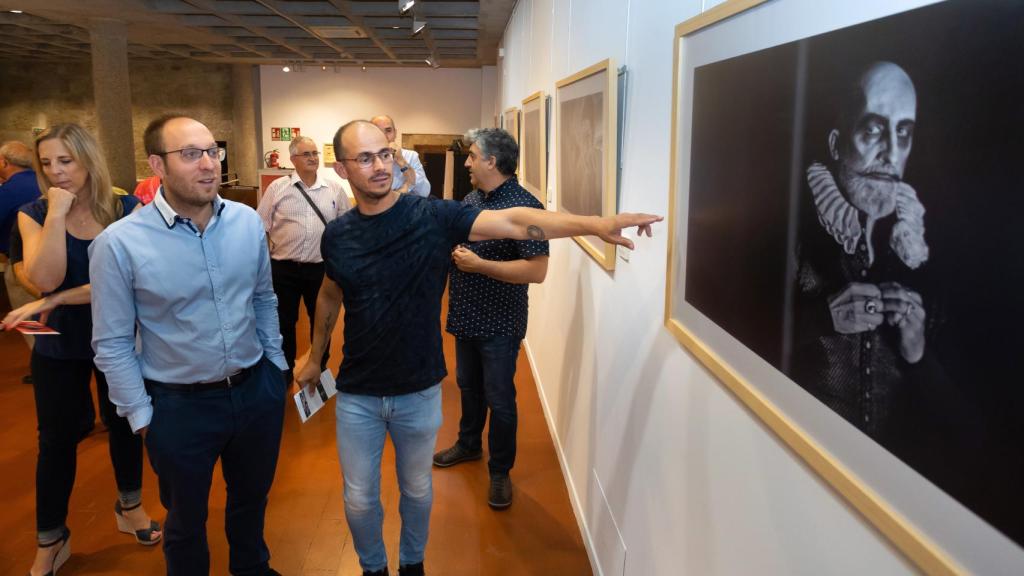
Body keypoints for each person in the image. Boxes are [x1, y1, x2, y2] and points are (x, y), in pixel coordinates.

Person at [294, 120, 660, 576]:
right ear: (343, 168)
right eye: (364, 158)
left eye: (385, 154)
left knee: (417, 490)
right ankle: (372, 569)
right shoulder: (339, 235)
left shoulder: (431, 217)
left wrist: (594, 224)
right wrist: (315, 355)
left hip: (418, 389)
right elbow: (330, 292)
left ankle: (411, 565)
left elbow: (515, 220)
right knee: (359, 497)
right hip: (357, 393)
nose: (379, 166)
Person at [90, 114, 288, 576]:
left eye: (212, 152)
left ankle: (251, 568)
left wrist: (275, 369)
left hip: (254, 390)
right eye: (191, 154)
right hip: (178, 405)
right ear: (157, 164)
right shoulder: (119, 244)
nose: (208, 165)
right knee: (185, 521)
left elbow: (263, 298)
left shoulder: (244, 222)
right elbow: (113, 343)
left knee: (251, 502)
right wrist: (141, 417)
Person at [0, 123, 160, 576]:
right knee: (56, 439)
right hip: (59, 345)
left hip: (118, 336)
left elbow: (127, 281)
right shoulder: (33, 212)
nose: (56, 172)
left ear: (89, 160)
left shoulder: (126, 208)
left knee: (125, 424)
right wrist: (56, 214)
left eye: (65, 161)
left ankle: (129, 508)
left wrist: (53, 299)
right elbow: (45, 276)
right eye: (46, 163)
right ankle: (51, 538)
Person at [791, 61, 929, 441]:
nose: (891, 153)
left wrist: (916, 348)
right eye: (873, 130)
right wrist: (822, 317)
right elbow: (746, 330)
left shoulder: (916, 238)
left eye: (904, 134)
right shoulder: (793, 221)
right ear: (836, 144)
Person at [432, 128, 548, 510]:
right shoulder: (470, 199)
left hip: (500, 322)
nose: (465, 162)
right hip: (466, 314)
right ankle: (468, 444)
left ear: (491, 162)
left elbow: (536, 271)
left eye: (472, 156)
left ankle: (500, 472)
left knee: (500, 398)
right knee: (468, 386)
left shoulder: (526, 207)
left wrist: (480, 264)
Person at [257, 135, 349, 383]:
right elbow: (261, 226)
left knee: (322, 321)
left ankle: (320, 368)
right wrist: (263, 264)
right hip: (283, 269)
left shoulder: (335, 189)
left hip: (321, 269)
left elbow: (345, 228)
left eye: (315, 153)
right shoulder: (278, 188)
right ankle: (284, 373)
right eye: (306, 154)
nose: (312, 158)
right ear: (293, 159)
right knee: (284, 322)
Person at [0, 141, 42, 373]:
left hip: (22, 263)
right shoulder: (45, 183)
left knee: (28, 315)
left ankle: (41, 364)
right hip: (55, 260)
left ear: (4, 163)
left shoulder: (7, 191)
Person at [370, 115, 430, 197]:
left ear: (395, 133)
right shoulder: (366, 160)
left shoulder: (410, 156)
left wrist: (401, 161)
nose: (384, 136)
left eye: (388, 131)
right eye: (378, 131)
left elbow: (424, 192)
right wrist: (404, 189)